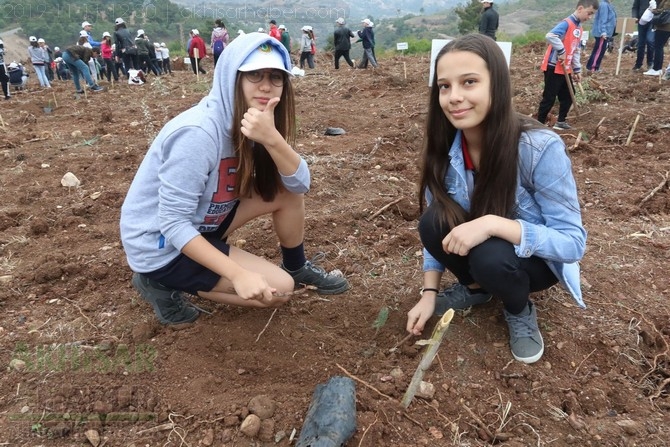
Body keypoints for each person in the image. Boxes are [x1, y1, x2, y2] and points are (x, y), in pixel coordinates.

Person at [120, 32, 350, 325]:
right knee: (279, 292)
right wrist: (237, 274)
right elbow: (173, 222)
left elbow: (300, 185)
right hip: (161, 245)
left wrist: (273, 139)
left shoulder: (256, 121)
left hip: (205, 220)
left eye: (275, 76)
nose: (266, 85)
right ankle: (159, 283)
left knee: (286, 192)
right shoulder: (198, 133)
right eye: (254, 74)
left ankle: (296, 266)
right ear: (233, 76)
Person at [406, 33, 586, 364]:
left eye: (469, 82)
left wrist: (493, 224)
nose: (454, 97)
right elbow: (437, 226)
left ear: (497, 86)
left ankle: (518, 308)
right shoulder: (443, 148)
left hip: (532, 260)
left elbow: (572, 244)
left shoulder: (539, 148)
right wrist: (428, 292)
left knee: (490, 255)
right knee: (433, 222)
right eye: (444, 86)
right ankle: (477, 289)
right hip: (484, 248)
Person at [537, 0, 598, 130]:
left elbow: (575, 49)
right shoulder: (566, 23)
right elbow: (550, 36)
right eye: (589, 13)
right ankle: (538, 125)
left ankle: (561, 121)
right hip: (554, 66)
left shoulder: (579, 28)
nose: (589, 17)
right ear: (580, 8)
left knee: (569, 95)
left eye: (592, 14)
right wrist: (561, 50)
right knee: (549, 97)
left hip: (566, 68)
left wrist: (577, 69)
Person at [586, 0, 617, 73]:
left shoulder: (608, 4)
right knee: (599, 51)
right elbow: (603, 20)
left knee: (599, 50)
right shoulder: (604, 5)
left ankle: (591, 66)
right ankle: (593, 68)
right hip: (602, 33)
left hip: (606, 32)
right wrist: (603, 32)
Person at [644, 0, 670, 76]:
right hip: (664, 27)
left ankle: (657, 68)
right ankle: (657, 68)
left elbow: (665, 10)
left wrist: (654, 10)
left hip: (664, 27)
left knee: (658, 47)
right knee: (659, 47)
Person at [632, 0, 655, 71]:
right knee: (641, 43)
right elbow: (635, 7)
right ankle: (638, 64)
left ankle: (650, 63)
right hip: (641, 21)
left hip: (653, 21)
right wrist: (635, 16)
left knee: (650, 41)